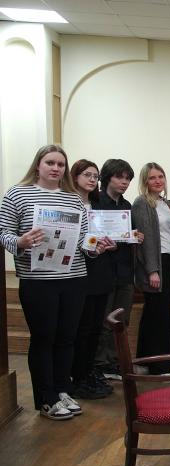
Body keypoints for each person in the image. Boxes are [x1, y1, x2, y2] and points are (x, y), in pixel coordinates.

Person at [0, 145, 104, 420]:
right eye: (50, 163)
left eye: (60, 164)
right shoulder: (17, 193)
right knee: (44, 338)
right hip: (38, 280)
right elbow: (3, 232)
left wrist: (94, 247)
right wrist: (20, 242)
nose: (56, 168)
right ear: (38, 165)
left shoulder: (72, 198)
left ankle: (62, 391)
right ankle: (46, 399)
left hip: (74, 278)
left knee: (67, 339)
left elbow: (83, 239)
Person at [69, 159, 116, 399]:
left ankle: (88, 373)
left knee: (96, 327)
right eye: (87, 174)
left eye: (95, 176)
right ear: (75, 176)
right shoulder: (69, 202)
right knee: (83, 328)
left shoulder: (99, 203)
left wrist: (112, 241)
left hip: (101, 269)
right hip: (79, 269)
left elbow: (109, 232)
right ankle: (78, 377)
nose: (92, 179)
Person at [94, 159, 140, 381]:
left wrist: (135, 237)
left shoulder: (127, 205)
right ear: (107, 177)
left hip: (124, 270)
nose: (124, 182)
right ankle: (100, 363)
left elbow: (128, 235)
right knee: (104, 319)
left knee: (122, 319)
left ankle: (114, 361)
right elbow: (91, 236)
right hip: (102, 269)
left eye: (128, 178)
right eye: (119, 177)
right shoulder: (95, 202)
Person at [132, 162, 170, 375]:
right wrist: (152, 270)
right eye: (152, 178)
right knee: (159, 315)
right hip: (156, 262)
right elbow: (146, 240)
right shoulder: (142, 202)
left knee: (155, 313)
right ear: (145, 181)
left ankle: (145, 363)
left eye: (161, 176)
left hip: (168, 260)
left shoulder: (163, 202)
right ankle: (160, 367)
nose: (158, 181)